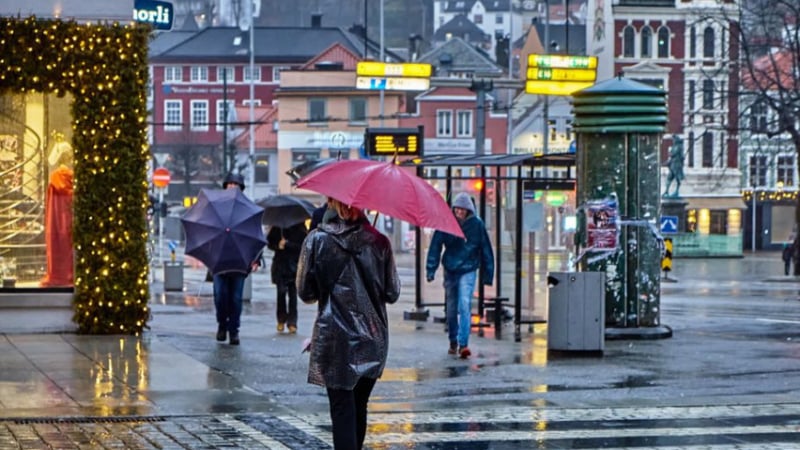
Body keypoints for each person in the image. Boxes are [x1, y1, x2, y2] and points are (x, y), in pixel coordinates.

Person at [297, 197, 400, 450]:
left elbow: (305, 293)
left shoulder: (316, 241)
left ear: (333, 203)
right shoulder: (380, 242)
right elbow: (393, 292)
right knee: (359, 405)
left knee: (342, 410)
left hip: (335, 340)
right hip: (373, 339)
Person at [426, 192, 494, 359]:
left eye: (463, 210)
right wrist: (430, 269)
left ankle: (463, 344)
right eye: (457, 209)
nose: (460, 212)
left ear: (468, 210)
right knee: (451, 308)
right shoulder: (446, 223)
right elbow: (435, 246)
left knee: (464, 304)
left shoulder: (477, 225)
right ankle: (453, 341)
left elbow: (486, 249)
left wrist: (488, 274)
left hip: (469, 269)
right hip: (451, 270)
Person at [213, 172, 260, 345]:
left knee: (235, 297)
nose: (232, 187)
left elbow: (256, 235)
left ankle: (234, 330)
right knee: (220, 295)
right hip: (219, 261)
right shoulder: (216, 207)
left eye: (236, 185)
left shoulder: (247, 209)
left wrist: (256, 258)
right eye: (229, 184)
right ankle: (221, 325)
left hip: (239, 261)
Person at [266, 221, 307, 333]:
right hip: (280, 265)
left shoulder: (300, 228)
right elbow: (269, 243)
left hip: (294, 265)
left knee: (293, 295)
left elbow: (302, 246)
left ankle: (292, 322)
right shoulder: (277, 228)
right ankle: (281, 319)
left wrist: (287, 244)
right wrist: (277, 246)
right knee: (281, 293)